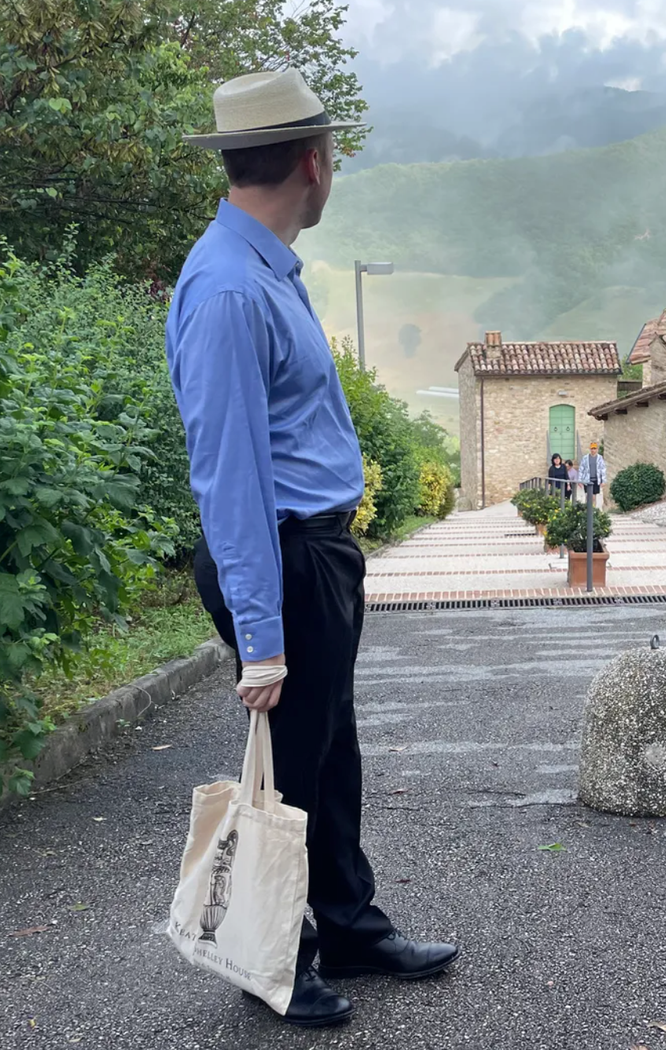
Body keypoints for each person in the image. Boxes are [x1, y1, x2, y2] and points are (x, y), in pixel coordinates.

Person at [166, 70, 458, 1029]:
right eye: (333, 151)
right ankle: (274, 959)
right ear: (312, 162)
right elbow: (230, 477)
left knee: (329, 749)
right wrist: (261, 638)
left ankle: (350, 924)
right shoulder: (228, 288)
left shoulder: (262, 272)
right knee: (289, 764)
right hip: (281, 557)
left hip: (310, 553)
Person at [579, 442, 607, 508]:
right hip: (587, 479)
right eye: (592, 449)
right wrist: (580, 480)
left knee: (594, 496)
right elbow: (581, 469)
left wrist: (603, 480)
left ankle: (593, 509)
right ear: (590, 449)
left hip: (596, 480)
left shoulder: (600, 458)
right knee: (588, 496)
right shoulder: (585, 458)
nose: (593, 450)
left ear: (596, 449)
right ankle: (587, 508)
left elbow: (603, 469)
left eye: (594, 449)